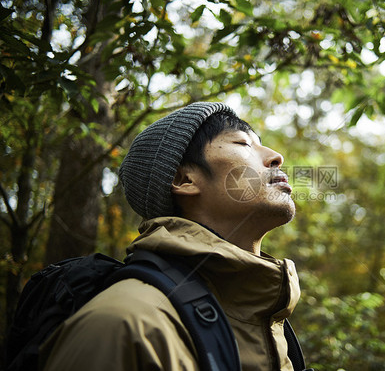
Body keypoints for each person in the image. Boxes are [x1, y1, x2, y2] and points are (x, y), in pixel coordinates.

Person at [39, 102, 301, 370]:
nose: (276, 156)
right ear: (184, 179)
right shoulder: (127, 325)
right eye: (244, 143)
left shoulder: (271, 324)